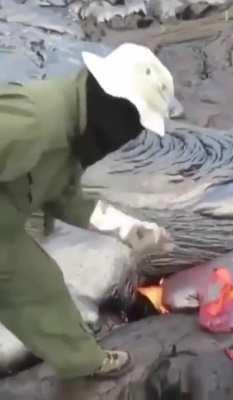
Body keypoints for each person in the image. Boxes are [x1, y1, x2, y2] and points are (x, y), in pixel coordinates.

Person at [0, 43, 180, 379]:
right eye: (134, 120)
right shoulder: (33, 120)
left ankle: (82, 361)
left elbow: (64, 194)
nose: (129, 134)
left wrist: (126, 228)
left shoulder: (74, 135)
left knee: (39, 286)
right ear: (112, 102)